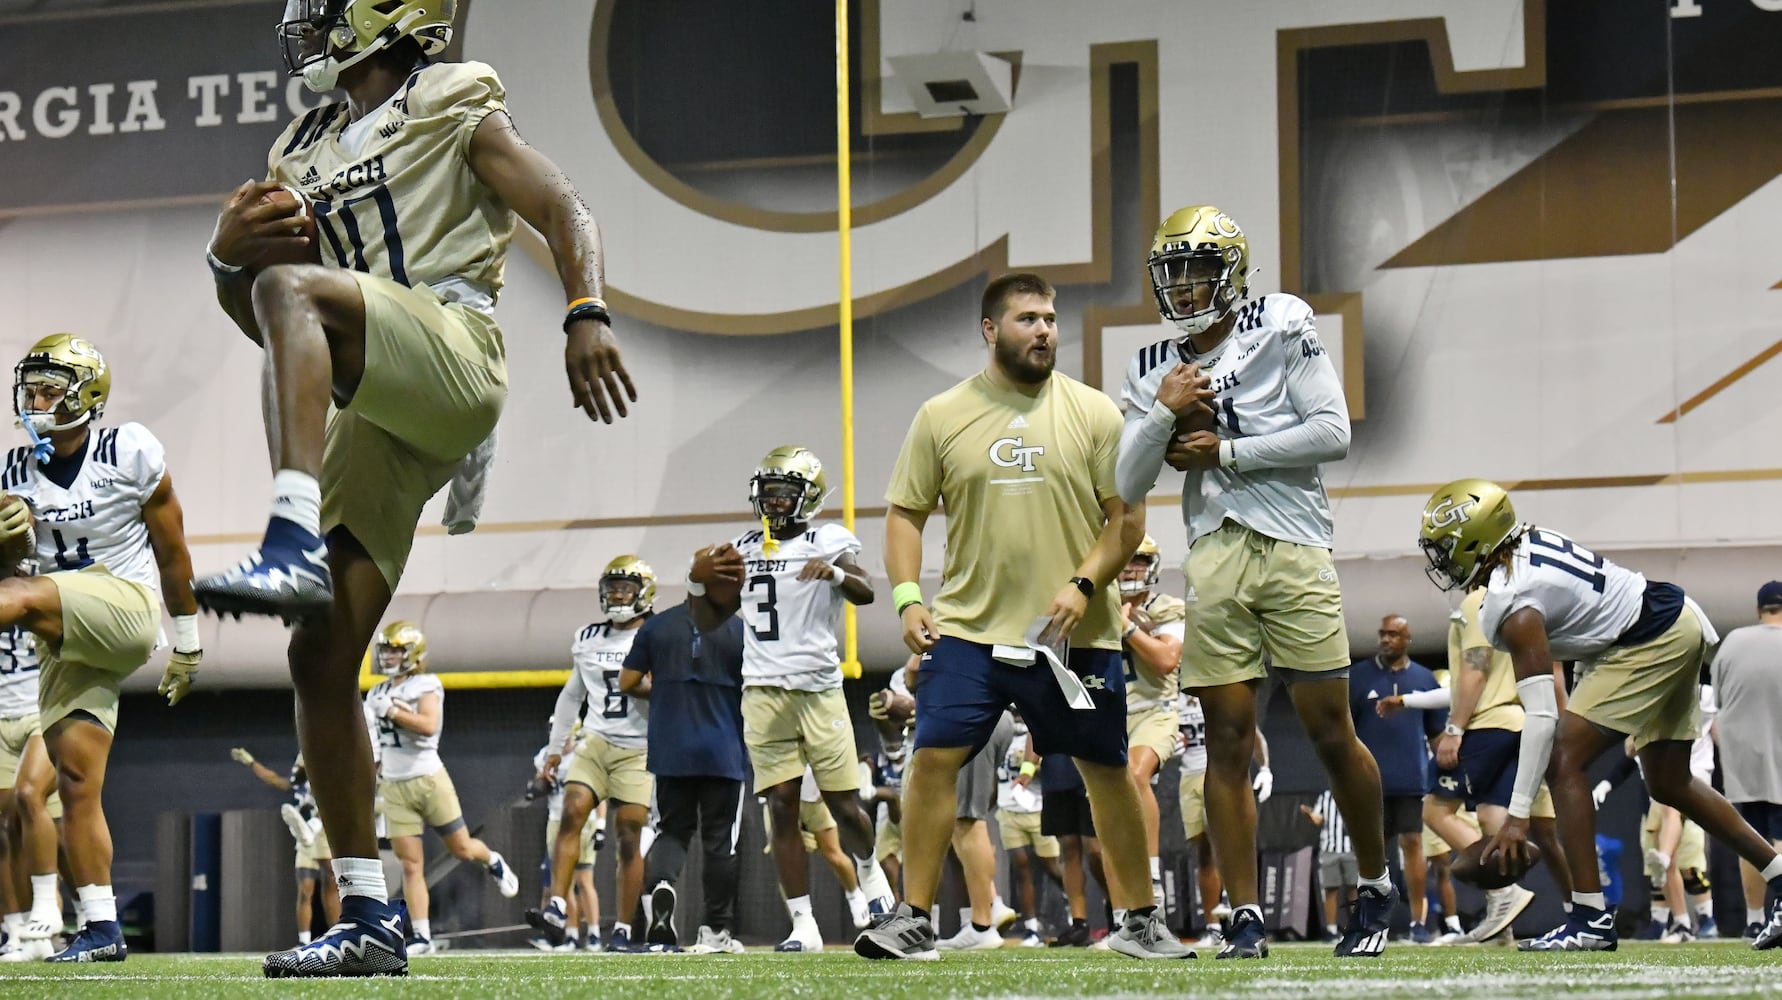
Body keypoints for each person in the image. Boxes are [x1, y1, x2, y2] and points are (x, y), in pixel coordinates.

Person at [195, 3, 636, 976]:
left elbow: (564, 204)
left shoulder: (450, 97)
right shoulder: (300, 143)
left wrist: (586, 308)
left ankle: (291, 533)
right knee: (319, 653)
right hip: (374, 389)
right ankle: (367, 914)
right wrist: (228, 259)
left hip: (453, 344)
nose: (305, 24)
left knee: (295, 289)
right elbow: (271, 327)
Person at [857, 272, 1189, 962]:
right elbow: (904, 516)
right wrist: (908, 599)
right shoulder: (942, 415)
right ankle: (912, 917)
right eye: (1027, 319)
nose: (1044, 330)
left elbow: (1126, 522)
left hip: (1074, 637)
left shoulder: (1096, 413)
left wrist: (1082, 583)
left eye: (1049, 318)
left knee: (1108, 770)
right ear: (990, 330)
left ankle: (1138, 922)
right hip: (969, 632)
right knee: (932, 759)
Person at [1115, 206, 1387, 959]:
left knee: (1332, 731)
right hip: (1213, 553)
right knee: (1226, 744)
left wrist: (1226, 452)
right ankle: (1242, 915)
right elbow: (1126, 479)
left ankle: (1374, 885)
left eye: (1199, 268)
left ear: (1231, 272)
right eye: (1173, 271)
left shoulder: (1279, 320)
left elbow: (1332, 431)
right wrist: (1160, 417)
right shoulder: (1152, 369)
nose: (1186, 284)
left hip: (1294, 543)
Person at [1418, 478, 1782, 951]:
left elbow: (1543, 718)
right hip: (1671, 618)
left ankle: (1589, 918)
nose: (1442, 561)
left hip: (1648, 638)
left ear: (1477, 539)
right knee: (1670, 782)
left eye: (1447, 548)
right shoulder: (1526, 543)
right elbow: (1587, 625)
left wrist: (1516, 816)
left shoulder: (1511, 602)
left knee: (1562, 758)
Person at [0, 335, 203, 963]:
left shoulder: (129, 449)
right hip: (63, 633)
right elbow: (15, 569)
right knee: (76, 783)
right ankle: (101, 926)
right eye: (29, 387)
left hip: (123, 607)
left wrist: (187, 642)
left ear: (85, 395)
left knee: (25, 595)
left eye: (48, 388)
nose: (34, 399)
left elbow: (172, 550)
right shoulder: (12, 470)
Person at [688, 445, 893, 952]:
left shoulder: (828, 539)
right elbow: (707, 620)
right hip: (761, 691)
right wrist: (698, 582)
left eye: (786, 493)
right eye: (769, 493)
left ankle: (871, 874)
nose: (775, 503)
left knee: (846, 807)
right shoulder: (742, 547)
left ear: (809, 497)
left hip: (818, 690)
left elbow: (867, 591)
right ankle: (804, 924)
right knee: (780, 808)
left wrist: (836, 574)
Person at [364, 621, 519, 954]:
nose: (389, 657)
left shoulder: (426, 684)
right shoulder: (375, 693)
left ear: (413, 654)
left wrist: (392, 711)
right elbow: (373, 744)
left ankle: (492, 859)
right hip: (393, 784)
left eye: (395, 650)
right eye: (386, 650)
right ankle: (421, 935)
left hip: (429, 779)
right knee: (410, 864)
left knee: (462, 848)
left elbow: (428, 725)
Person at [533, 558, 657, 952]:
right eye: (614, 587)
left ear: (644, 593)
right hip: (596, 739)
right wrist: (555, 751)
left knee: (628, 835)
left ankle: (621, 927)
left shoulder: (656, 635)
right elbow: (572, 696)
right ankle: (556, 903)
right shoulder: (588, 637)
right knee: (572, 811)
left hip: (639, 746)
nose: (618, 595)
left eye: (627, 588)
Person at [625, 595, 748, 955]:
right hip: (722, 748)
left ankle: (663, 885)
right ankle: (715, 930)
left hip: (671, 747)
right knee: (720, 842)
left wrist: (663, 692)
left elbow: (628, 680)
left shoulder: (657, 626)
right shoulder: (740, 630)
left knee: (672, 832)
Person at [1348, 614, 1444, 943]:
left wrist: (1442, 775)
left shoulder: (1425, 678)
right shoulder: (1358, 676)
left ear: (1407, 640)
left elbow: (1436, 735)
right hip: (1367, 783)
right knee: (1371, 851)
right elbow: (1344, 733)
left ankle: (1419, 923)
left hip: (1411, 779)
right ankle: (1372, 923)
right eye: (1383, 634)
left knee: (1413, 844)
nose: (1387, 640)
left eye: (1394, 634)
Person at [1710, 581, 1782, 938]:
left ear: (1759, 610)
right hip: (1780, 752)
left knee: (1752, 838)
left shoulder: (1734, 641)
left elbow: (1718, 705)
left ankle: (1755, 919)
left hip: (1742, 754)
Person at [1177, 692, 1270, 947]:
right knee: (1204, 854)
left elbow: (1251, 731)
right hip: (1188, 777)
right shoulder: (1171, 698)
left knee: (1224, 842)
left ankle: (1236, 906)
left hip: (1217, 772)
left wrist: (1265, 768)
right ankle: (1213, 927)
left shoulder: (1215, 692)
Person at [231, 748, 340, 945]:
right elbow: (275, 779)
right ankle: (304, 941)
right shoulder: (301, 778)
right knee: (306, 888)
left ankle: (336, 936)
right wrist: (251, 762)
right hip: (304, 836)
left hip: (324, 832)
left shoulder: (329, 771)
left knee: (331, 882)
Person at [0, 627, 60, 962]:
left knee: (30, 798)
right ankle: (18, 931)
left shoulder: (43, 577)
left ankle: (50, 909)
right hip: (1, 713)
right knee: (4, 828)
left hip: (43, 708)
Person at [996, 716, 1061, 948]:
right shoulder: (1000, 731)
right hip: (1008, 807)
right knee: (1021, 868)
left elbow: (1048, 764)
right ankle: (1032, 928)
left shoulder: (1036, 730)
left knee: (1053, 867)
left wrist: (1033, 765)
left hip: (1036, 806)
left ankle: (1076, 914)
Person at [1302, 789, 1357, 940]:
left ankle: (1358, 928)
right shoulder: (1325, 796)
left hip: (1351, 848)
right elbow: (1318, 819)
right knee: (1330, 889)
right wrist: (1309, 815)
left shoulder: (1355, 792)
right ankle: (1331, 930)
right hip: (1329, 848)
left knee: (1354, 889)